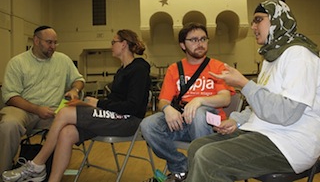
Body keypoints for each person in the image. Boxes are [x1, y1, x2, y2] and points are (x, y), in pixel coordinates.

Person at [185, 0, 320, 181]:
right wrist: (236, 121)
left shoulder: (299, 55)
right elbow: (260, 105)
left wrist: (244, 85)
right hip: (266, 132)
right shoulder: (271, 58)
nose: (253, 27)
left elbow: (287, 114)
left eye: (258, 20)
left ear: (277, 20)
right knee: (197, 147)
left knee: (208, 157)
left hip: (292, 142)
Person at [2, 29, 151, 182]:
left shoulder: (139, 68)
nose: (111, 45)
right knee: (67, 133)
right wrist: (86, 104)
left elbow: (132, 106)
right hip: (115, 117)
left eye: (113, 42)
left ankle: (36, 165)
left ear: (124, 44)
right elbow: (114, 102)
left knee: (65, 112)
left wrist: (98, 103)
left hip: (128, 121)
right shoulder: (122, 70)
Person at [141, 22, 234, 182]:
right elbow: (163, 100)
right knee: (147, 125)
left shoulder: (217, 67)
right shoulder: (174, 69)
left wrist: (199, 100)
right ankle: (181, 168)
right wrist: (167, 109)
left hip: (212, 123)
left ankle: (203, 172)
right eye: (194, 40)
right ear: (183, 45)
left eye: (203, 39)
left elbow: (225, 98)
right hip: (184, 122)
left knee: (199, 113)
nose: (200, 43)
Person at [0, 26, 85, 178]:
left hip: (53, 112)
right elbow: (11, 96)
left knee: (68, 129)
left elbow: (78, 80)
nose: (53, 46)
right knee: (8, 126)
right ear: (36, 41)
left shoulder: (63, 60)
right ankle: (4, 174)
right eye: (49, 42)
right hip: (24, 109)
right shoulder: (17, 62)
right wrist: (36, 109)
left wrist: (74, 90)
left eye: (55, 43)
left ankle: (51, 174)